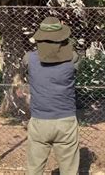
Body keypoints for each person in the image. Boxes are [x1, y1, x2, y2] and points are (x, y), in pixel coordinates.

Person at [20, 16, 83, 175]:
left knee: (34, 169)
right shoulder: (73, 58)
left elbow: (26, 67)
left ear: (40, 36)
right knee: (69, 171)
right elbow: (73, 54)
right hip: (66, 122)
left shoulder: (29, 58)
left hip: (40, 121)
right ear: (62, 36)